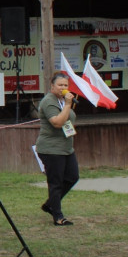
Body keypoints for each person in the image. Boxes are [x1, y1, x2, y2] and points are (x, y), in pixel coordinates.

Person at [36, 72, 79, 226]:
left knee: (72, 177)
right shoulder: (48, 101)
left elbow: (68, 120)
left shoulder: (62, 100)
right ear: (52, 86)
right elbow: (57, 123)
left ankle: (50, 205)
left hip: (66, 148)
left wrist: (67, 104)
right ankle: (58, 217)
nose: (63, 88)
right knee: (56, 182)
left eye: (65, 85)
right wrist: (67, 105)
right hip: (51, 149)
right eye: (60, 85)